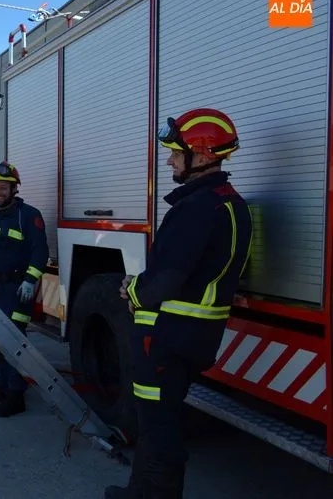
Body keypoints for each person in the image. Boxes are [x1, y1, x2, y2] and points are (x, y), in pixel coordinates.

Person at [107, 108, 252, 499]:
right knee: (158, 419)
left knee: (157, 425)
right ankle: (139, 491)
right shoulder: (229, 203)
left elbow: (166, 279)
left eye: (176, 152)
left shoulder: (197, 209)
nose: (169, 159)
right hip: (192, 335)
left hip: (167, 338)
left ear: (203, 157)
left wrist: (131, 288)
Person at [0, 162, 48, 417]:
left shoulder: (29, 215)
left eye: (3, 187)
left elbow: (40, 251)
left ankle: (17, 395)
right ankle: (5, 386)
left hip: (16, 289)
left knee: (14, 342)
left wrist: (30, 280)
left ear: (14, 189)